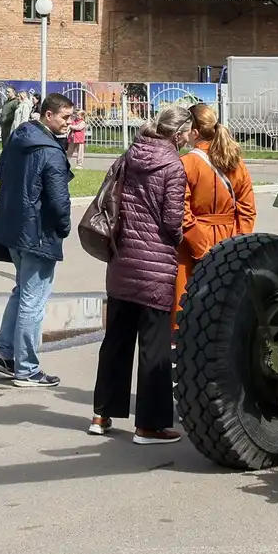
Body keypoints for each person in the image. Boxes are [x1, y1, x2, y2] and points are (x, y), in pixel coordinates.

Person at [90, 101, 189, 444]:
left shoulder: (130, 153)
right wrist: (179, 239)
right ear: (178, 133)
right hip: (156, 265)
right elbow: (172, 222)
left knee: (116, 340)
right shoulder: (173, 167)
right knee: (154, 347)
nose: (189, 138)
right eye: (187, 133)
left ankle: (101, 415)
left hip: (121, 259)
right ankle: (149, 425)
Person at [0, 92, 75, 387]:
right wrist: (63, 228)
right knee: (32, 300)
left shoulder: (18, 137)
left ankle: (7, 354)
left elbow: (1, 173)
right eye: (65, 117)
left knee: (22, 291)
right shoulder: (50, 151)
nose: (69, 123)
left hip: (13, 229)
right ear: (48, 115)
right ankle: (26, 369)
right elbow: (60, 203)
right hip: (37, 234)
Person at [177, 101, 256, 307]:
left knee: (190, 307)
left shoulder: (186, 163)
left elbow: (181, 210)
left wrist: (200, 245)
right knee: (226, 306)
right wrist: (238, 242)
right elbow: (247, 209)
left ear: (194, 132)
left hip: (193, 240)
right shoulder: (236, 162)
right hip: (230, 238)